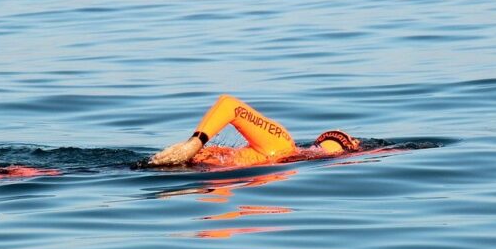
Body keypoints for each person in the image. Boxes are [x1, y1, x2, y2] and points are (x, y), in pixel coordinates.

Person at [149, 94, 360, 167]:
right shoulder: (282, 144)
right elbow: (229, 104)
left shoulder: (284, 163)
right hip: (177, 167)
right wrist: (193, 145)